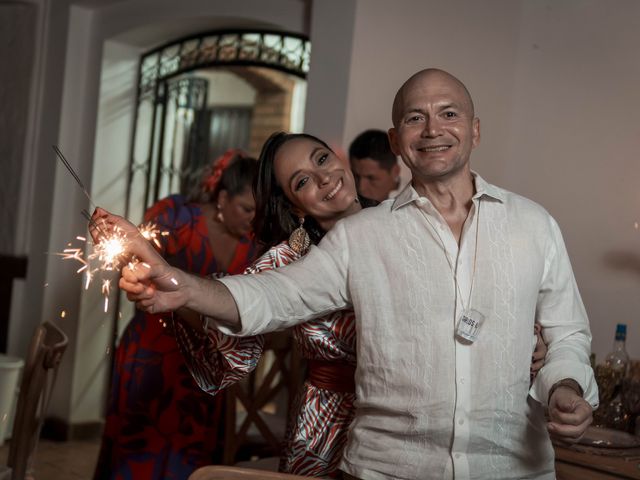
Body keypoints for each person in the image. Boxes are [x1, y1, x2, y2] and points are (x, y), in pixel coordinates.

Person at [94, 68, 596, 480]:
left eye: (449, 114)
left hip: (512, 468)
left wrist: (561, 379)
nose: (434, 129)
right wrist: (175, 281)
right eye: (416, 118)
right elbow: (270, 296)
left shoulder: (534, 224)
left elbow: (565, 331)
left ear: (475, 129)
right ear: (397, 141)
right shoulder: (358, 239)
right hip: (379, 463)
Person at [93, 151, 261, 480]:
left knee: (192, 458)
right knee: (136, 451)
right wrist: (113, 241)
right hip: (152, 352)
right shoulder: (176, 216)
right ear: (223, 198)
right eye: (246, 209)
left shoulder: (255, 246)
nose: (253, 220)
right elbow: (129, 257)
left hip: (204, 362)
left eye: (260, 212)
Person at [349, 129, 403, 202]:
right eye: (356, 176)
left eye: (371, 178)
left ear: (395, 172)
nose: (361, 188)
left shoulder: (412, 207)